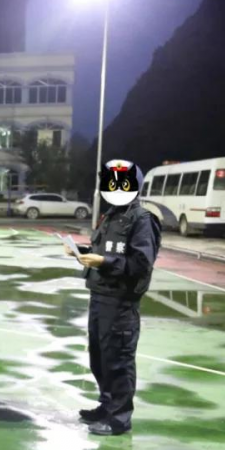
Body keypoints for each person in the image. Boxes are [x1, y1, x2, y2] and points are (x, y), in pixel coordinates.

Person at [67, 159, 161, 436]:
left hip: (121, 302)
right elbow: (103, 250)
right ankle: (106, 406)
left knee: (118, 359)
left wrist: (104, 262)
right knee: (100, 357)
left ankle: (119, 418)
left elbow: (140, 264)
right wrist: (82, 251)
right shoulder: (111, 215)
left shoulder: (142, 220)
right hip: (99, 295)